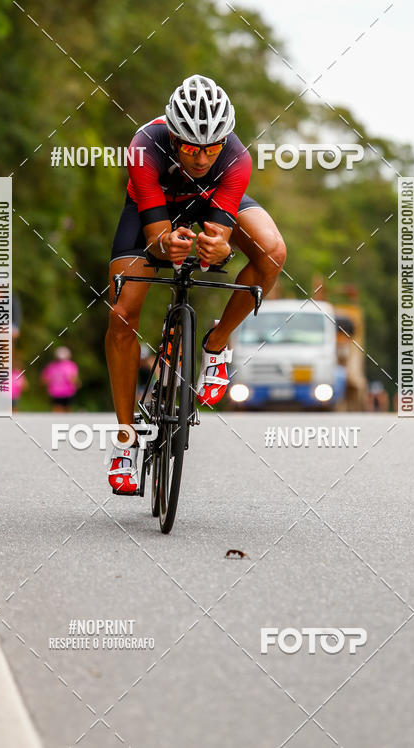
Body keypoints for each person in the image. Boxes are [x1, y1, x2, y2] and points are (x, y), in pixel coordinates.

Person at [105, 74, 286, 493]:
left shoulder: (236, 158)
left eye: (211, 148)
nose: (202, 159)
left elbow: (219, 236)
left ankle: (216, 346)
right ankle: (125, 441)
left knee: (273, 252)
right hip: (153, 207)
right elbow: (156, 237)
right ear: (173, 135)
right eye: (190, 148)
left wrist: (219, 251)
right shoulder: (143, 146)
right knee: (121, 315)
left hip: (210, 201)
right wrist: (166, 244)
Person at [41, 347, 81, 411]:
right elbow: (44, 380)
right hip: (58, 393)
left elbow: (44, 380)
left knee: (64, 410)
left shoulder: (70, 365)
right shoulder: (52, 366)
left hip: (65, 392)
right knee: (61, 410)